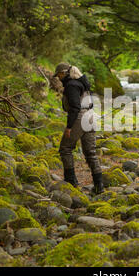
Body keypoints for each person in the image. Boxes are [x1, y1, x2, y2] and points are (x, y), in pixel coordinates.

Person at [54, 62, 104, 195]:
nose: (58, 78)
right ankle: (99, 186)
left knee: (65, 149)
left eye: (58, 75)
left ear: (64, 73)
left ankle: (71, 182)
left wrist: (69, 127)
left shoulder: (71, 86)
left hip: (80, 118)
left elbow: (75, 108)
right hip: (91, 116)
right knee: (91, 153)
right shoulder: (83, 83)